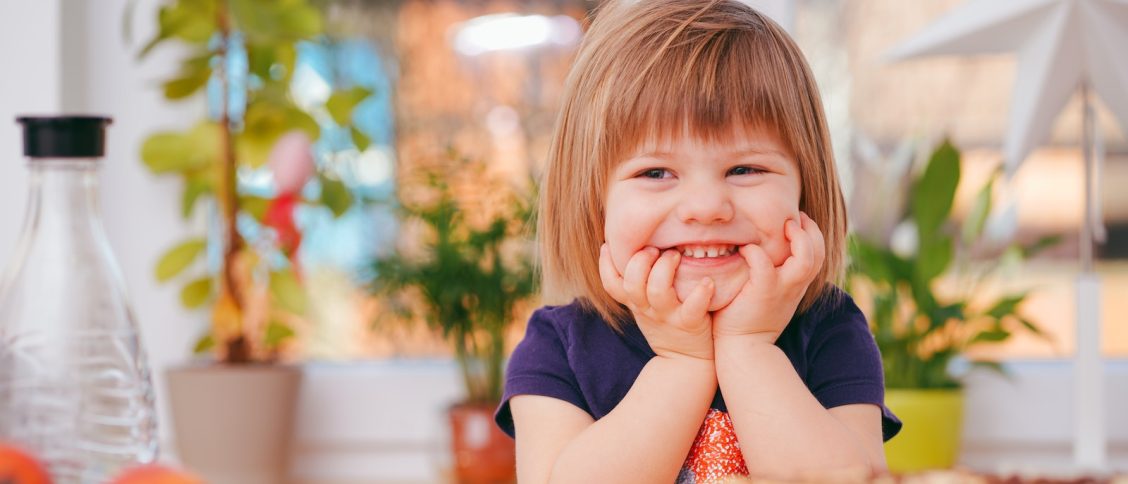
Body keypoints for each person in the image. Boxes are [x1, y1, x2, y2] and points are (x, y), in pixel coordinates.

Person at [493, 0, 902, 481]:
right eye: (656, 172)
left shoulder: (830, 329)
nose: (706, 206)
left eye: (745, 169)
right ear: (594, 202)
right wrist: (682, 363)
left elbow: (850, 478)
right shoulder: (558, 347)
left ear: (805, 190)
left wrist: (748, 347)